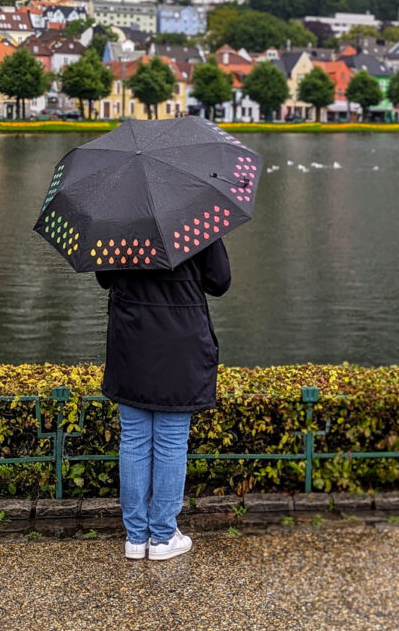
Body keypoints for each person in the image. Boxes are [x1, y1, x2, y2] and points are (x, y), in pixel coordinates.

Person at [96, 238, 231, 560]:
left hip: (131, 339)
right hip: (179, 342)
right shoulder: (196, 218)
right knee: (171, 442)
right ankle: (162, 536)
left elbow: (104, 278)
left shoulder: (118, 220)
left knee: (133, 440)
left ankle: (136, 537)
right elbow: (219, 282)